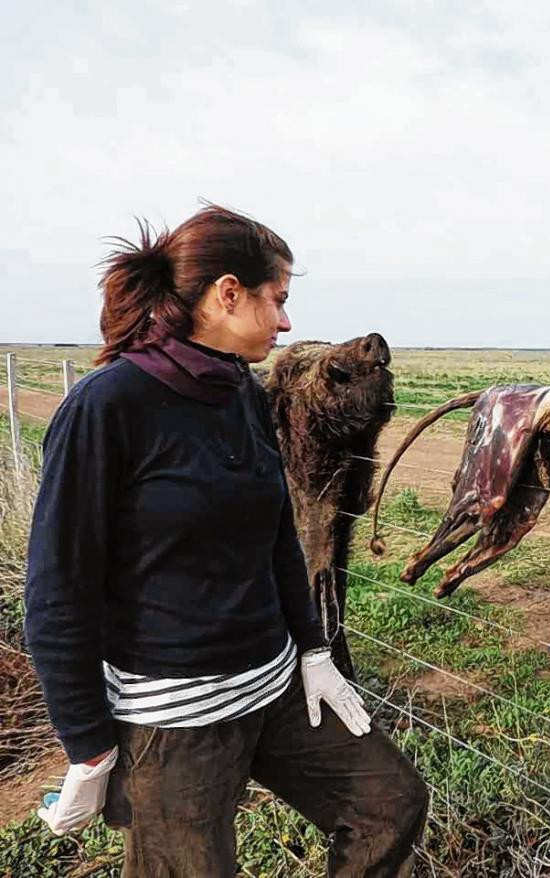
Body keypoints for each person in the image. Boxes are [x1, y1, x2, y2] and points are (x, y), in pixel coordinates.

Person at [24, 205, 428, 877]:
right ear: (228, 293)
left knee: (390, 804)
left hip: (272, 690)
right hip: (174, 728)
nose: (288, 321)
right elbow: (57, 592)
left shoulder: (239, 391)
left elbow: (275, 537)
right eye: (279, 299)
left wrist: (313, 652)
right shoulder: (107, 407)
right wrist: (89, 746)